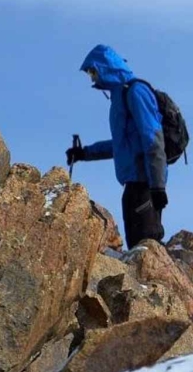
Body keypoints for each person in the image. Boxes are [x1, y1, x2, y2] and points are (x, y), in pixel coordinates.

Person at [66, 45, 168, 245]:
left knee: (146, 247)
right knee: (138, 249)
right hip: (132, 186)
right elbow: (122, 145)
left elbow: (153, 138)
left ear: (106, 67)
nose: (92, 78)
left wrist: (157, 186)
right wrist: (84, 153)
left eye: (93, 72)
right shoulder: (119, 97)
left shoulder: (136, 92)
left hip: (144, 185)